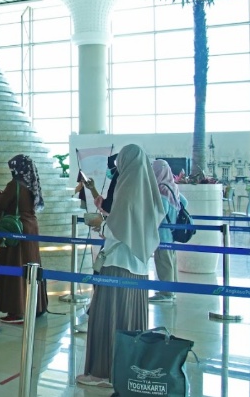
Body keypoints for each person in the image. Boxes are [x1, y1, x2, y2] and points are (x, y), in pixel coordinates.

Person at [76, 144, 164, 389]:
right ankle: (127, 371)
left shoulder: (128, 188)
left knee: (108, 317)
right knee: (129, 319)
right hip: (138, 267)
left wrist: (100, 226)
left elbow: (118, 227)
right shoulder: (147, 189)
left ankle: (104, 372)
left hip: (117, 265)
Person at [0, 154, 49, 324]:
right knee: (32, 266)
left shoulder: (14, 184)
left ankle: (16, 310)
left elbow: (0, 205)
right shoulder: (32, 183)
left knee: (14, 266)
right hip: (31, 227)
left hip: (16, 230)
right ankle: (36, 305)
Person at [150, 159, 187, 303]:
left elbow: (161, 210)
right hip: (172, 231)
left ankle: (166, 293)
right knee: (171, 259)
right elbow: (184, 202)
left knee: (163, 260)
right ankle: (172, 289)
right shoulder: (173, 186)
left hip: (163, 232)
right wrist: (175, 213)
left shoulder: (161, 188)